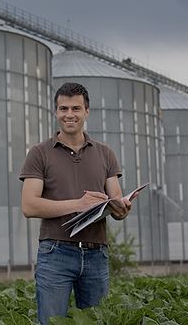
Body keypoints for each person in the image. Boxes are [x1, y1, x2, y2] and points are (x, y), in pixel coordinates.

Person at [19, 82, 133, 324]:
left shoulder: (106, 154)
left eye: (76, 109)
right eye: (63, 109)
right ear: (56, 112)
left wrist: (122, 209)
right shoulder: (39, 153)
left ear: (86, 111)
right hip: (55, 253)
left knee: (96, 322)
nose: (69, 115)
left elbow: (116, 203)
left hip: (96, 254)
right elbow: (29, 206)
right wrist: (78, 204)